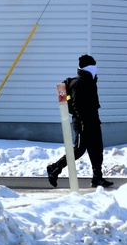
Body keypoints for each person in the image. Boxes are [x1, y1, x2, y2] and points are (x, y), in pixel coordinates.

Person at [47, 54, 114, 188]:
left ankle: (97, 178)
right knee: (78, 150)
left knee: (96, 150)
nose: (96, 69)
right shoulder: (79, 83)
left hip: (93, 121)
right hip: (83, 123)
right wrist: (83, 122)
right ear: (88, 67)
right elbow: (77, 105)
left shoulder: (90, 81)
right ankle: (55, 168)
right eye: (93, 66)